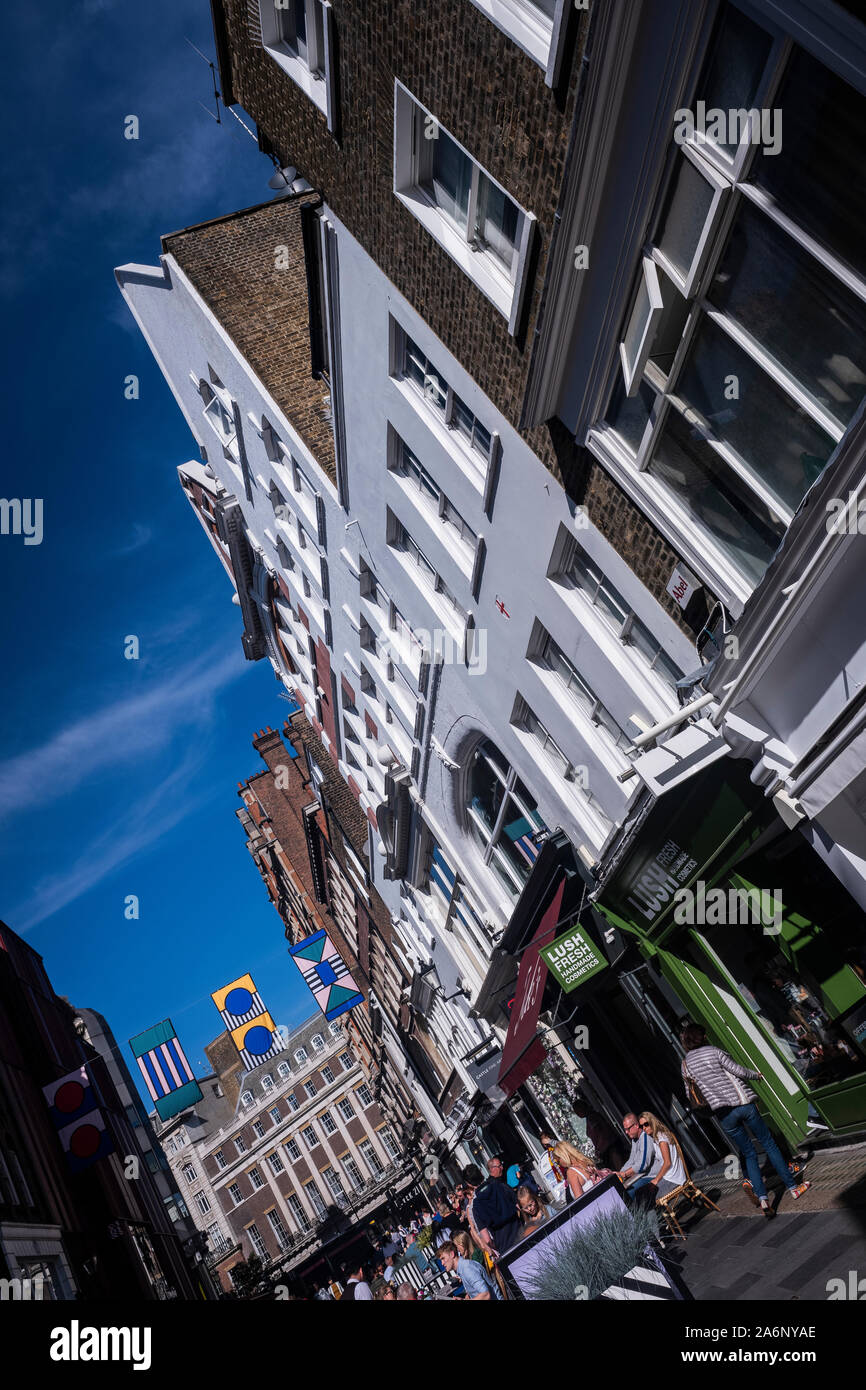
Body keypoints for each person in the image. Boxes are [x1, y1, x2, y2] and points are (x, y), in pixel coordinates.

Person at [681, 1022, 810, 1215]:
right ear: (701, 1037)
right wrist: (756, 1075)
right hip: (743, 1105)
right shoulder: (714, 1052)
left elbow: (689, 1093)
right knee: (768, 1143)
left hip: (723, 1115)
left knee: (749, 1154)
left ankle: (764, 1200)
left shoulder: (685, 1065)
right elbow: (739, 1071)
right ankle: (793, 1188)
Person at [467, 1158, 522, 1257]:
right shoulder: (501, 1186)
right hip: (521, 1233)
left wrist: (497, 1247)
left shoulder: (475, 1206)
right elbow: (519, 1206)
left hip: (505, 1247)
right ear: (481, 1172)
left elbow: (487, 1240)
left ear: (469, 1184)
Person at [637, 1112, 688, 1198]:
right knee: (641, 1193)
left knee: (648, 1197)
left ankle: (666, 1211)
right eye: (642, 1126)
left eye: (646, 1124)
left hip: (674, 1179)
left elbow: (667, 1163)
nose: (644, 1128)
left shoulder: (661, 1139)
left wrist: (656, 1180)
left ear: (652, 1122)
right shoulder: (656, 1138)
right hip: (669, 1177)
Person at [616, 1112, 658, 1210]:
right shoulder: (635, 1140)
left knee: (628, 1194)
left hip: (651, 1175)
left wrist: (624, 1174)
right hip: (643, 1175)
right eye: (625, 1129)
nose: (626, 1132)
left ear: (636, 1125)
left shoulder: (645, 1137)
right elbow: (632, 1160)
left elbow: (642, 1165)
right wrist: (619, 1173)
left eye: (628, 1129)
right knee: (623, 1192)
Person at [572, 1100, 626, 1171]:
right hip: (605, 1148)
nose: (577, 1114)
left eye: (577, 1110)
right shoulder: (590, 1118)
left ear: (582, 1108)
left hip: (609, 1146)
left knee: (620, 1167)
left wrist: (598, 1149)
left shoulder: (593, 1117)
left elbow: (602, 1132)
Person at [439, 1240, 503, 1300]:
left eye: (443, 1258)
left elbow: (486, 1294)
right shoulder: (462, 1268)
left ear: (452, 1254)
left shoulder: (467, 1268)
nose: (442, 1263)